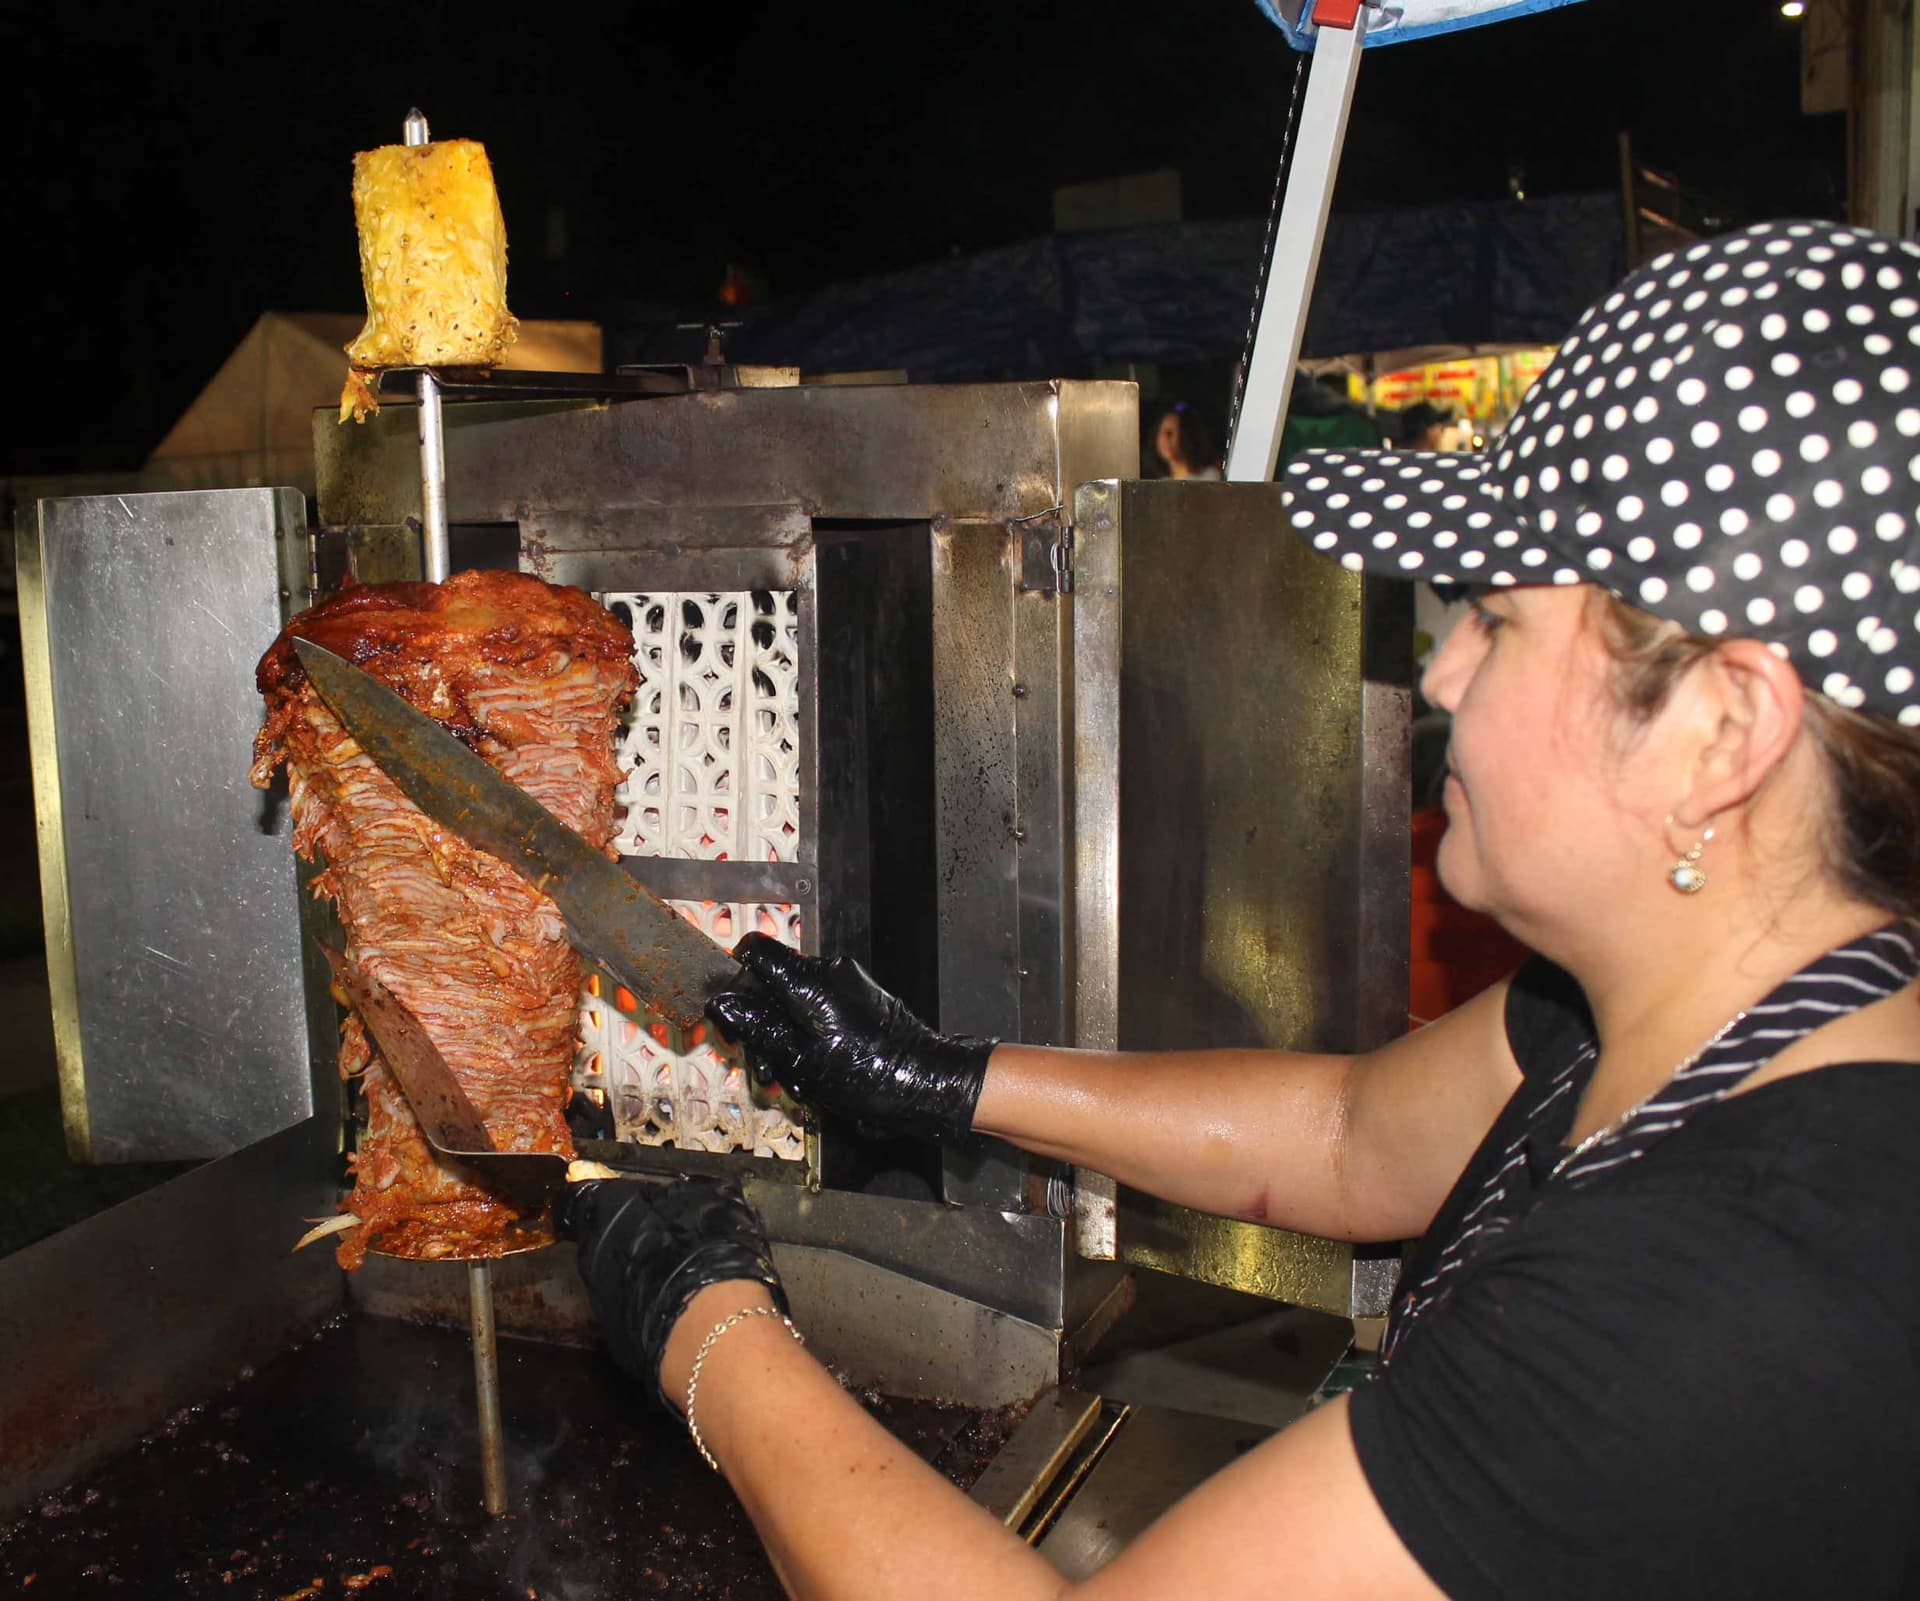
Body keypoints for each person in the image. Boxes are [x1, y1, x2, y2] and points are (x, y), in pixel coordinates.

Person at [557, 220, 1920, 1598]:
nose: (1442, 677)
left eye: (1499, 622)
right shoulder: (1695, 1010)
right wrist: (942, 1080)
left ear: (1719, 730)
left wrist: (709, 1332)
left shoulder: (1727, 1296)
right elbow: (1349, 1135)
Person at [1152, 401, 1222, 479]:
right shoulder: (1163, 483)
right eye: (1161, 431)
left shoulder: (1209, 477)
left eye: (1170, 432)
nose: (1164, 438)